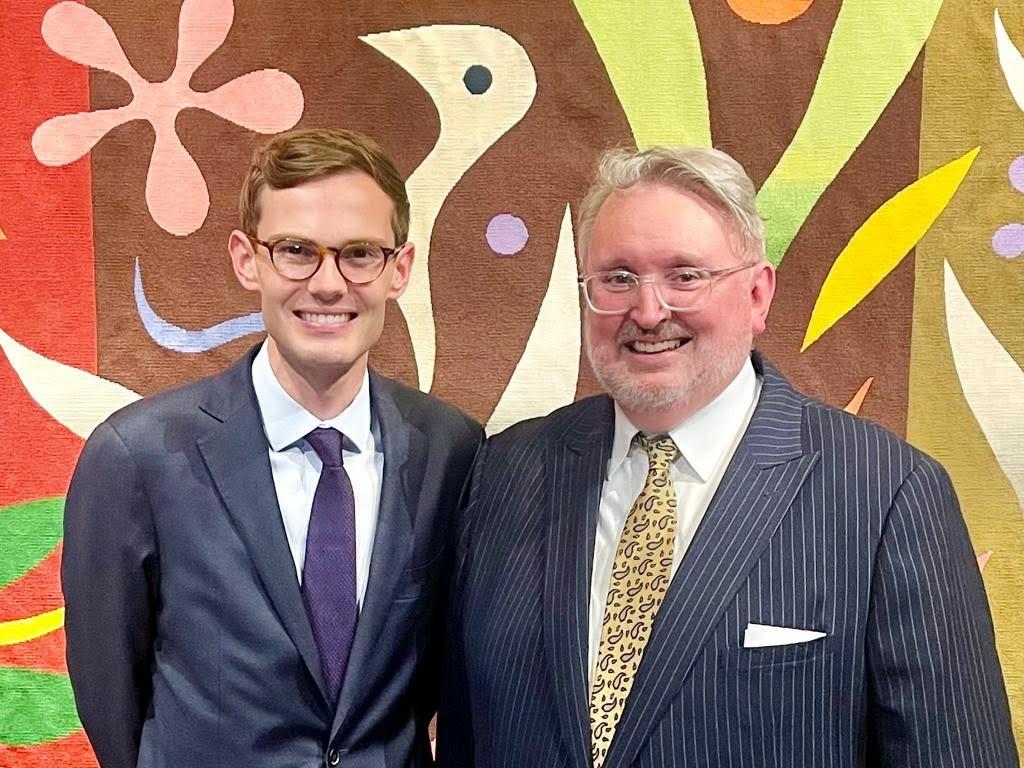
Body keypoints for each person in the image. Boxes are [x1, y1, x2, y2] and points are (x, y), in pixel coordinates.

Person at [437, 146, 1018, 767]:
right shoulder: (503, 473)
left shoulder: (887, 494)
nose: (649, 310)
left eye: (685, 275)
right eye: (618, 278)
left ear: (758, 295)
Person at [62, 128, 483, 768]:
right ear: (245, 259)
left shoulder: (451, 451)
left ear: (400, 269)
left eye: (360, 254)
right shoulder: (136, 457)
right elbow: (111, 694)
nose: (328, 284)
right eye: (295, 250)